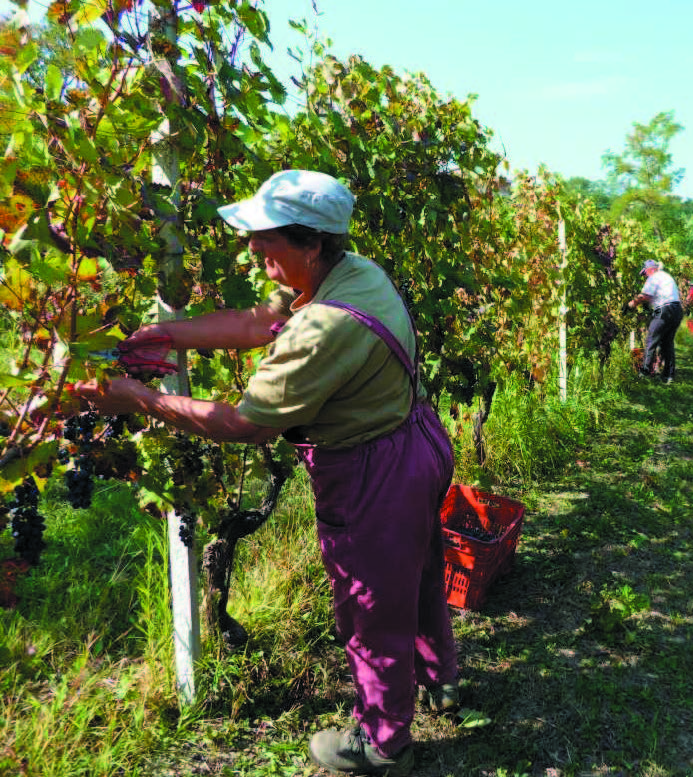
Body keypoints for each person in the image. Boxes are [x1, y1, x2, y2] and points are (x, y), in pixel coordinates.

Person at [74, 170, 458, 776]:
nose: (251, 247)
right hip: (416, 441)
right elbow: (258, 322)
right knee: (417, 572)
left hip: (373, 472)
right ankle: (441, 681)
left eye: (265, 236)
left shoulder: (325, 328)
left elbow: (246, 424)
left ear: (309, 242)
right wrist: (170, 335)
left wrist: (138, 400)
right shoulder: (351, 273)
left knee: (370, 603)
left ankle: (385, 746)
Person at [627, 259, 683, 384]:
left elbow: (644, 295)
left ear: (650, 269)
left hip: (664, 310)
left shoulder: (654, 277)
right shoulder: (666, 276)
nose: (645, 275)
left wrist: (631, 304)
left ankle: (645, 372)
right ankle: (668, 376)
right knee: (667, 343)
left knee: (651, 339)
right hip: (676, 310)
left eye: (645, 272)